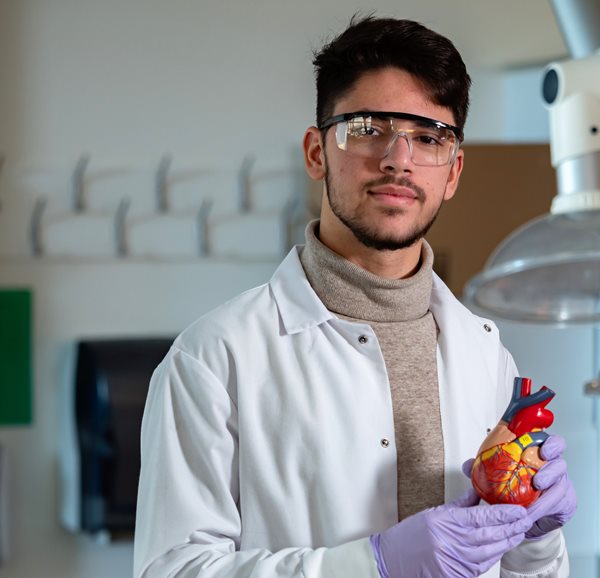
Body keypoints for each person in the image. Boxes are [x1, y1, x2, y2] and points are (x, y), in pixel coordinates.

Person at [133, 15, 576, 578]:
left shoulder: (483, 353)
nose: (399, 158)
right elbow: (172, 571)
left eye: (428, 138)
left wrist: (534, 542)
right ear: (317, 152)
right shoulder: (216, 358)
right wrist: (372, 566)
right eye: (368, 128)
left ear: (453, 171)